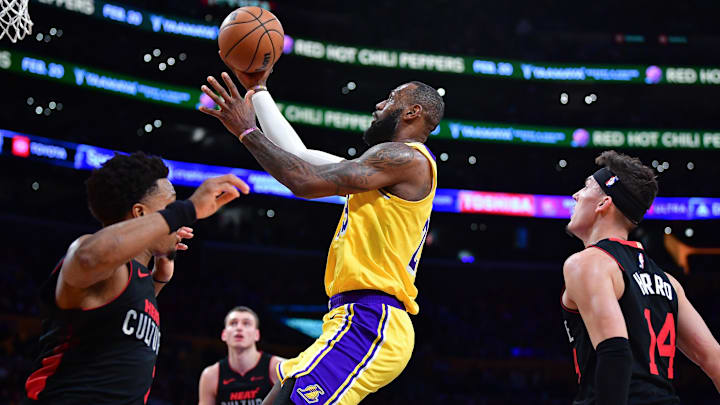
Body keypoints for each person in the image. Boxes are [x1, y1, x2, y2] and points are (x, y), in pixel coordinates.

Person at [199, 67, 444, 404]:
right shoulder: (383, 168)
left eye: (390, 100)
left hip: (370, 322)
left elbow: (304, 182)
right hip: (349, 320)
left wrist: (246, 130)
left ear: (413, 112)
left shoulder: (405, 158)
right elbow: (301, 159)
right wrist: (258, 90)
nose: (378, 105)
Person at [23, 152, 249, 404]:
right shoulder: (96, 256)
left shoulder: (138, 277)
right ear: (141, 213)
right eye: (171, 206)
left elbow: (117, 321)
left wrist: (158, 279)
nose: (179, 218)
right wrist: (189, 209)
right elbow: (88, 258)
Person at [561, 150, 720, 405]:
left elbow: (615, 353)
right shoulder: (669, 282)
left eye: (586, 186)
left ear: (604, 204)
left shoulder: (589, 263)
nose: (576, 195)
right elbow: (713, 359)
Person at [199, 306, 285, 405]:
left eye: (246, 323)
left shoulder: (279, 367)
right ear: (224, 334)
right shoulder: (211, 375)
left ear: (257, 335)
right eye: (233, 323)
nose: (239, 328)